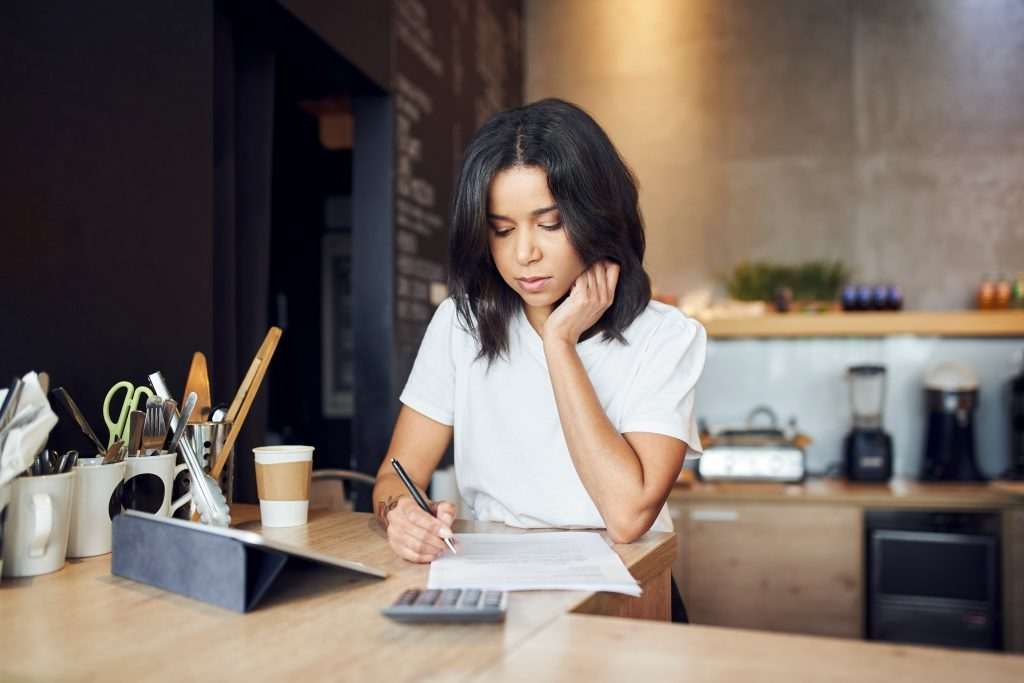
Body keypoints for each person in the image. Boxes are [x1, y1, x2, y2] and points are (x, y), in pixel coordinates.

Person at [372, 98, 706, 621]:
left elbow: (626, 515)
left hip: (627, 598)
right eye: (502, 230)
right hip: (496, 594)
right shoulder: (462, 324)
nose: (523, 252)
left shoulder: (665, 337)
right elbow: (394, 479)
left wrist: (559, 343)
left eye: (548, 224)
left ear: (596, 217)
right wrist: (402, 515)